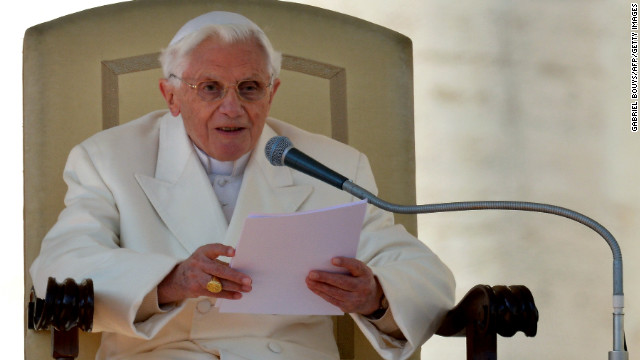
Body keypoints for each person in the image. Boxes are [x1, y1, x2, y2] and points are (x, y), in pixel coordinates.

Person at [30, 11, 455, 360]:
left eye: (249, 88)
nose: (232, 108)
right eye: (209, 88)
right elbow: (60, 265)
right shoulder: (107, 158)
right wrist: (170, 281)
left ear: (271, 94)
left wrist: (376, 295)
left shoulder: (335, 165)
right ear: (171, 96)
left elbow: (425, 276)